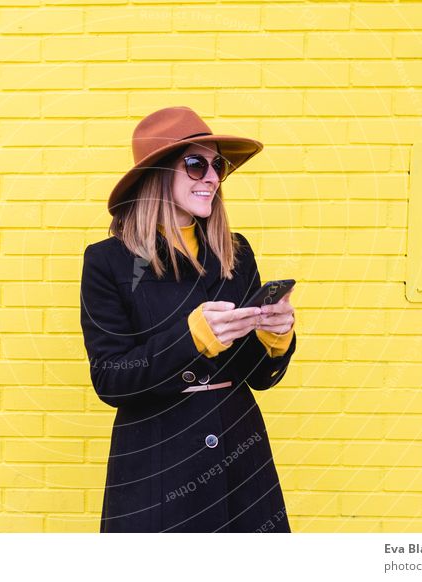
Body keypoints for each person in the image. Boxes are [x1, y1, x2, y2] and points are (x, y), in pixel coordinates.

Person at [79, 106, 297, 533]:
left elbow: (258, 376)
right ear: (156, 175)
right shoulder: (108, 262)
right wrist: (192, 339)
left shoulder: (236, 251)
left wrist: (276, 335)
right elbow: (110, 378)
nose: (212, 177)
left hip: (240, 455)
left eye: (218, 165)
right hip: (157, 463)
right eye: (196, 164)